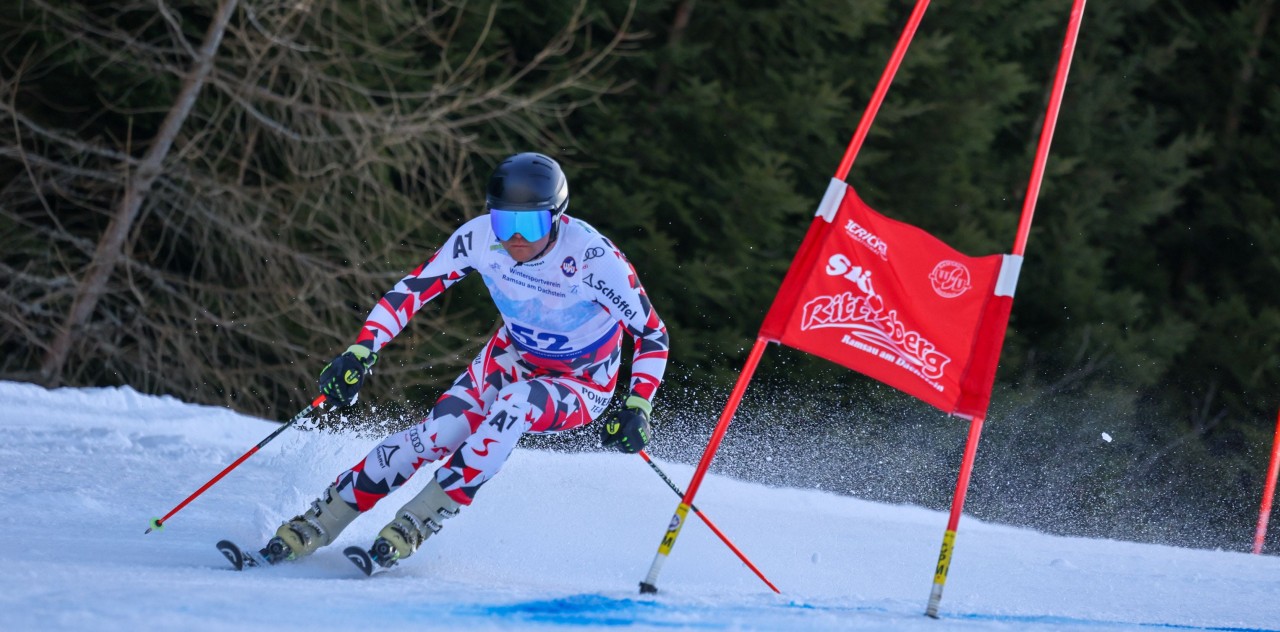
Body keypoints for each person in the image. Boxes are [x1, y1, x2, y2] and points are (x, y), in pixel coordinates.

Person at [260, 152, 669, 569]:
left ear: (556, 218)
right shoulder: (479, 238)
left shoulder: (593, 259)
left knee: (516, 405)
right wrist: (362, 350)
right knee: (437, 434)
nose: (516, 238)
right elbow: (413, 289)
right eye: (504, 222)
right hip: (512, 356)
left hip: (582, 381)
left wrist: (638, 405)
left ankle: (419, 519)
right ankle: (320, 520)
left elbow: (652, 333)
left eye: (530, 224)